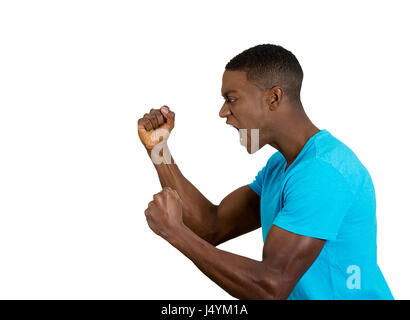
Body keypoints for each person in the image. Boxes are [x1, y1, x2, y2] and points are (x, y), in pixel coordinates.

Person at [138, 44, 393, 299]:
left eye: (232, 99)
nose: (223, 112)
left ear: (274, 98)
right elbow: (211, 227)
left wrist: (176, 234)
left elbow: (271, 286)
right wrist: (159, 148)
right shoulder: (280, 166)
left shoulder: (323, 172)